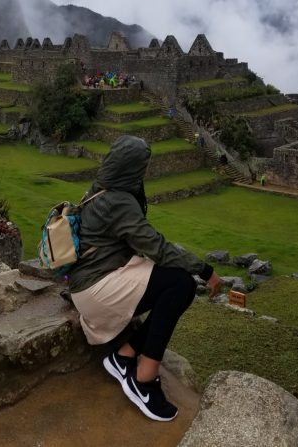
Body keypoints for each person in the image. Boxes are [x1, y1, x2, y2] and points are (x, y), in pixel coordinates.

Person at [67, 135, 222, 422]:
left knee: (175, 283)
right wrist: (206, 270)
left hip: (92, 279)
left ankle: (124, 356)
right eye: (143, 166)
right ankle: (144, 379)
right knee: (180, 285)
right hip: (95, 289)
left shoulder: (102, 188)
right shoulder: (118, 201)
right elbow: (157, 248)